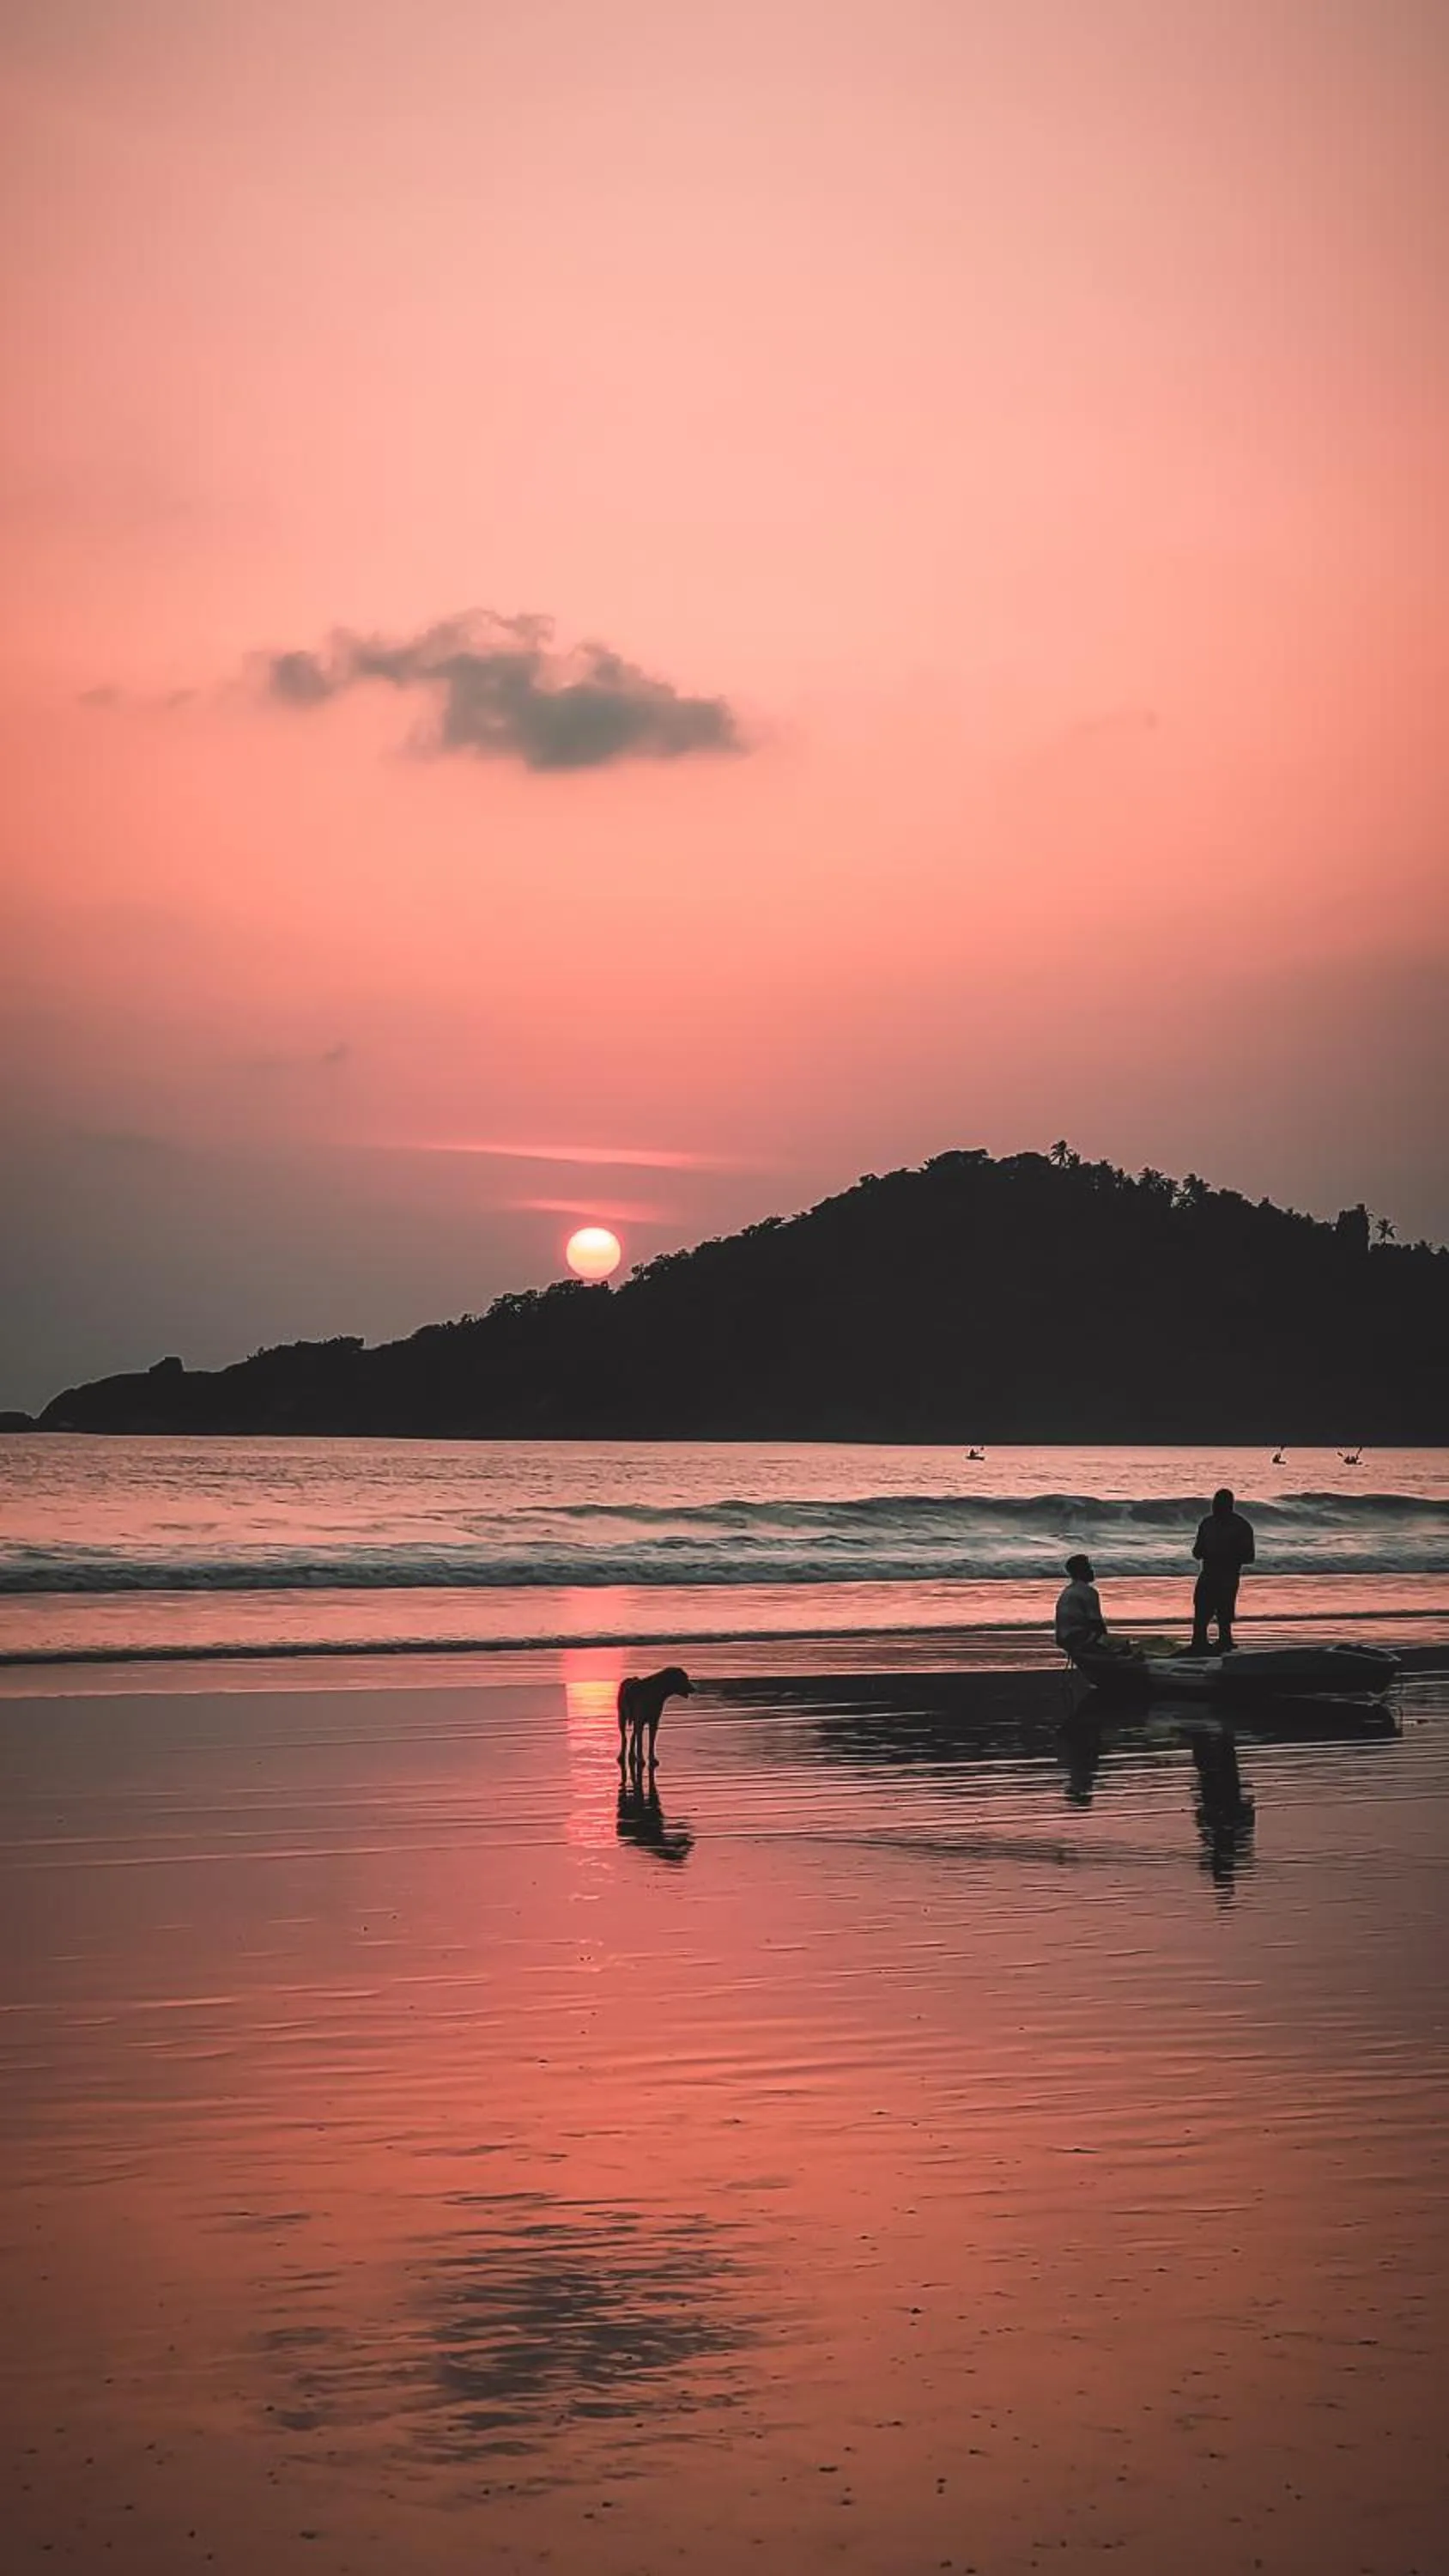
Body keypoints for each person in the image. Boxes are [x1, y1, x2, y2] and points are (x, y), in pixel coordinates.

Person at [1190, 1489, 1256, 1652]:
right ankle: (1200, 1645)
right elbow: (1197, 1552)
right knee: (1201, 1614)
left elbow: (1249, 1556)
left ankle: (1224, 1646)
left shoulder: (1241, 1526)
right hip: (1208, 1575)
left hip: (1227, 1577)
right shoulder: (1207, 1523)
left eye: (1219, 1504)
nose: (1216, 1507)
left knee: (1224, 1616)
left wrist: (1227, 1555)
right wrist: (1204, 1552)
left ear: (1230, 1506)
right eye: (1215, 1504)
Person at [1054, 1553, 1127, 1665]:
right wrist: (1107, 1641)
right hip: (1078, 1637)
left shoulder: (1067, 1591)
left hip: (1063, 1638)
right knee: (1122, 1645)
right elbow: (1096, 1622)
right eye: (1088, 1567)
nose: (1092, 1570)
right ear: (1081, 1571)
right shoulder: (1088, 1592)